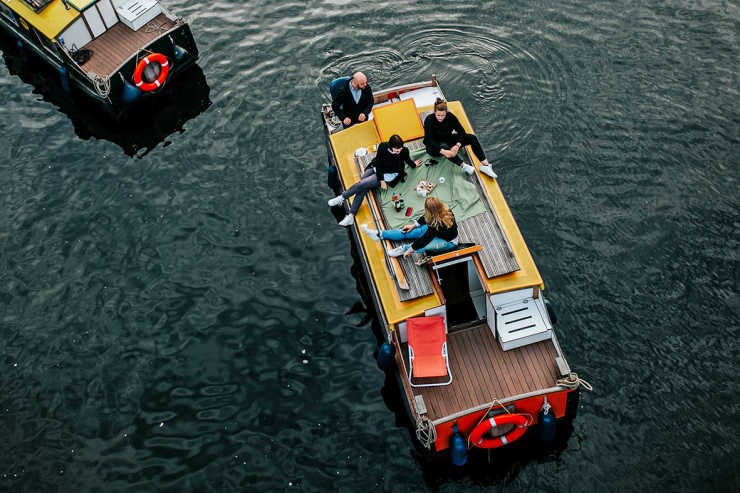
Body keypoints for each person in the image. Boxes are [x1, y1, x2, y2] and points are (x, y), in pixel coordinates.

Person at [328, 135, 422, 227]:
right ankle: (351, 215)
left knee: (362, 184)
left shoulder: (404, 151)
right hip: (377, 168)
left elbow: (408, 160)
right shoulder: (383, 146)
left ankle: (343, 198)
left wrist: (413, 164)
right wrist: (381, 180)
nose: (399, 151)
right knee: (363, 186)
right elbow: (378, 162)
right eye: (397, 149)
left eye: (400, 148)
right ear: (390, 146)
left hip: (388, 174)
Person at [361, 197, 458, 262]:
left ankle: (403, 249)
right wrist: (414, 225)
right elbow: (426, 217)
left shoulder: (437, 225)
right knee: (409, 231)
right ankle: (380, 234)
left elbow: (425, 240)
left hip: (448, 242)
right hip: (436, 231)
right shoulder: (444, 209)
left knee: (423, 246)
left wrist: (410, 250)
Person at [423, 98, 497, 178]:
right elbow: (428, 140)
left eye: (443, 115)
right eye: (438, 115)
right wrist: (443, 151)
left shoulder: (450, 117)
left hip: (448, 140)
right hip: (434, 147)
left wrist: (457, 145)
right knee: (445, 147)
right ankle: (464, 166)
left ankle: (485, 166)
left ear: (446, 113)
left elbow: (462, 131)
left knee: (472, 138)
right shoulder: (429, 119)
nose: (440, 117)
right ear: (435, 112)